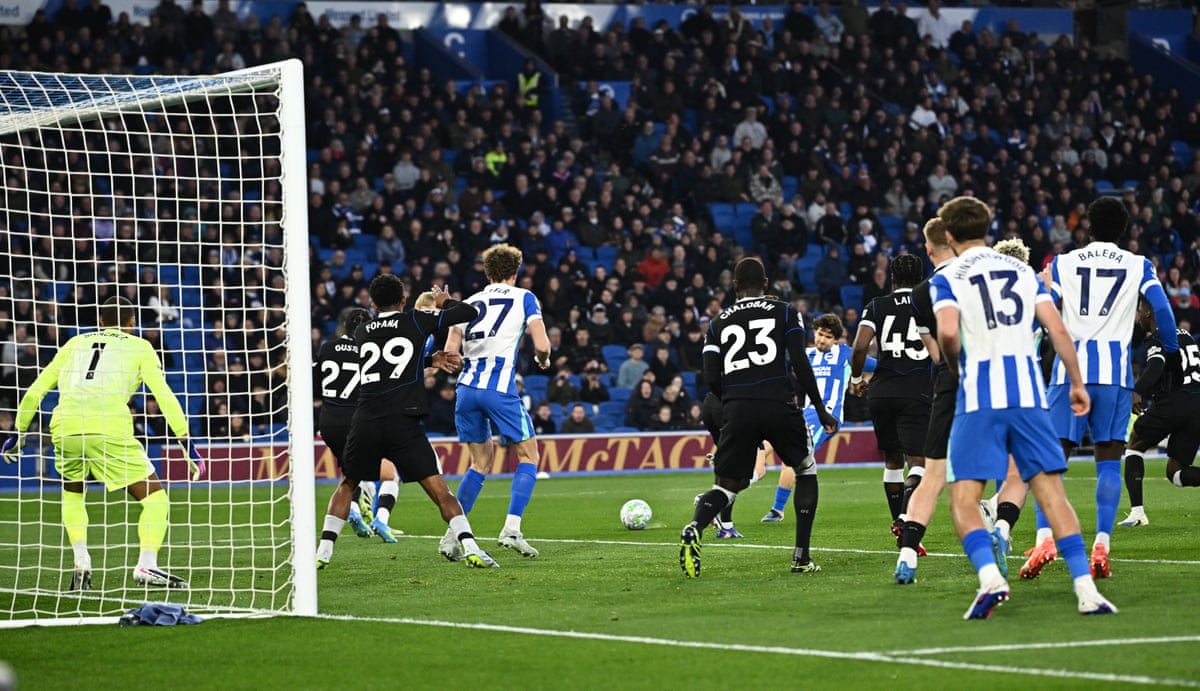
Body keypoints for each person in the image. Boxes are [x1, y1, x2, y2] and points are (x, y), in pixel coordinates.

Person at [930, 196, 1115, 618]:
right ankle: (1086, 590)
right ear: (987, 228)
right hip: (1029, 396)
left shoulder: (948, 276)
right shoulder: (1023, 271)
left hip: (980, 396)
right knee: (1052, 494)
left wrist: (958, 365)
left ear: (951, 236)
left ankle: (990, 579)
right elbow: (1057, 328)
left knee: (963, 498)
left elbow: (947, 331)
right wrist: (1076, 383)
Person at [1, 296, 205, 590]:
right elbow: (162, 394)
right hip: (108, 426)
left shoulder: (75, 343)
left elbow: (35, 391)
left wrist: (18, 434)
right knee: (154, 498)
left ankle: (81, 559)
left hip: (65, 426)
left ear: (99, 323)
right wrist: (186, 442)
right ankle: (147, 565)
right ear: (132, 324)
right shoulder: (140, 346)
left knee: (73, 493)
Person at [1030, 196, 1179, 580]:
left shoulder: (1063, 263)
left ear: (1088, 228)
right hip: (1114, 375)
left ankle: (1045, 537)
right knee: (1110, 459)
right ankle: (1101, 543)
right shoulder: (1138, 264)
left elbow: (1044, 306)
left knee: (1050, 460)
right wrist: (1172, 348)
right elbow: (1161, 310)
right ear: (1125, 230)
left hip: (1069, 373)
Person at [681, 257, 837, 577]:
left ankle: (695, 526)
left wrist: (732, 400)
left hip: (737, 407)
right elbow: (799, 362)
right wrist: (820, 407)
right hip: (778, 403)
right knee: (805, 469)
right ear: (765, 284)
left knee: (726, 486)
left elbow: (710, 375)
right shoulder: (786, 311)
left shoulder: (718, 321)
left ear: (735, 287)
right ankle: (801, 557)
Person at [336, 276, 499, 568]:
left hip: (367, 418)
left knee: (348, 483)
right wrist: (443, 303)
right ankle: (470, 546)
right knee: (440, 490)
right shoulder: (414, 319)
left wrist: (428, 361)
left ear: (372, 304)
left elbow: (385, 366)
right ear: (403, 300)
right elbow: (470, 313)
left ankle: (322, 552)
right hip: (404, 420)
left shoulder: (362, 331)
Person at [442, 244, 553, 561]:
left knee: (479, 464)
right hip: (499, 389)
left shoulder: (468, 303)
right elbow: (542, 343)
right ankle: (512, 529)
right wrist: (541, 358)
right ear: (515, 273)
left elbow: (452, 353)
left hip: (466, 390)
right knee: (529, 455)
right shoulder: (524, 297)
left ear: (487, 272)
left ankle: (452, 537)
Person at [314, 307, 408, 568]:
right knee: (388, 474)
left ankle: (327, 546)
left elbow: (317, 381)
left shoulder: (326, 347)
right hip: (358, 422)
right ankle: (379, 518)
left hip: (329, 424)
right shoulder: (370, 352)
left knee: (351, 476)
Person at [849, 254, 931, 539]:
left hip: (882, 392)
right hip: (918, 389)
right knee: (919, 463)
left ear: (892, 279)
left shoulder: (876, 305)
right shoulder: (929, 301)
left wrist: (857, 379)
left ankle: (898, 519)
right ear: (922, 276)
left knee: (893, 461)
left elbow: (859, 348)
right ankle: (907, 519)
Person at [762, 313, 874, 522]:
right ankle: (732, 484)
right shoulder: (806, 355)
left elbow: (876, 366)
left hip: (827, 417)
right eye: (820, 334)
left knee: (794, 457)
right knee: (764, 446)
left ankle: (777, 510)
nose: (822, 340)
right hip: (803, 413)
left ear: (836, 339)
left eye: (828, 337)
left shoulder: (845, 353)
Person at [1122, 299, 1200, 521]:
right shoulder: (1186, 335)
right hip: (1197, 407)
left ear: (1148, 312)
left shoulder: (1157, 338)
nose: (1137, 318)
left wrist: (1137, 391)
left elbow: (1156, 365)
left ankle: (1137, 513)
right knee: (1175, 471)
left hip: (1174, 402)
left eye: (1139, 311)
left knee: (1135, 442)